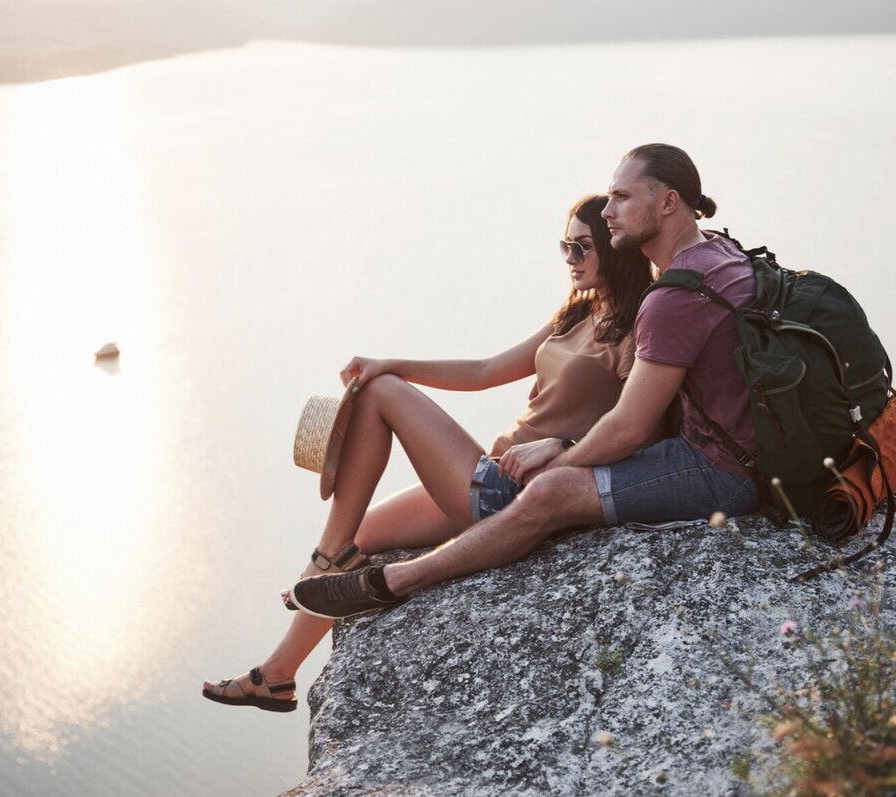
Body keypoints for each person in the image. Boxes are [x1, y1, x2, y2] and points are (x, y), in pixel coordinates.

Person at [203, 193, 665, 710]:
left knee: (381, 396)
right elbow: (486, 370)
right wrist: (392, 360)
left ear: (615, 249)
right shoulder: (579, 312)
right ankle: (277, 675)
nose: (570, 260)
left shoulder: (639, 328)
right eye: (565, 247)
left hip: (511, 493)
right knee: (364, 532)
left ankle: (326, 559)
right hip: (484, 474)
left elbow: (642, 431)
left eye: (583, 248)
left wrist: (564, 444)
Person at [290, 143, 761, 620]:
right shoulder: (716, 253)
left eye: (621, 197)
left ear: (668, 203)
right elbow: (489, 370)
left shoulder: (668, 300)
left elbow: (632, 428)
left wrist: (561, 454)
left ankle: (398, 579)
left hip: (719, 470)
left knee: (547, 492)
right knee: (395, 514)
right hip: (733, 447)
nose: (609, 209)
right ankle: (284, 659)